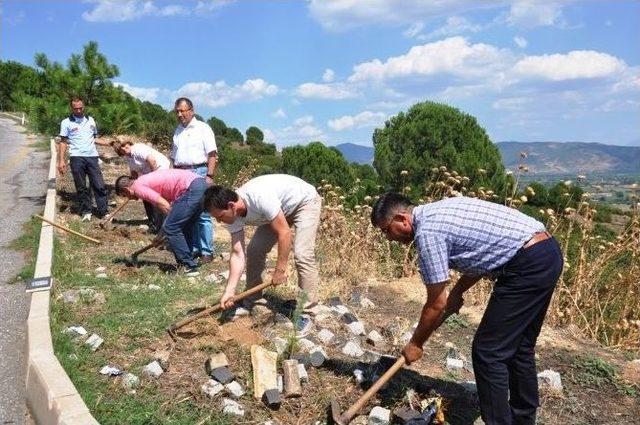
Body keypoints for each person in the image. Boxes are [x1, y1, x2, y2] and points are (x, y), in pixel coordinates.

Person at [370, 193, 563, 425]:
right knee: (520, 347)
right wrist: (458, 292)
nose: (388, 238)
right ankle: (523, 420)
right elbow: (481, 255)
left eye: (386, 230)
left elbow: (435, 303)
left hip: (526, 265)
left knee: (488, 352)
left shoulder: (428, 233)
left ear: (402, 219)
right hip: (546, 252)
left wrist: (415, 344)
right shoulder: (439, 210)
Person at [203, 174, 322, 334]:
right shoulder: (232, 216)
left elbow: (284, 233)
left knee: (302, 254)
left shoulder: (259, 197)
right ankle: (253, 300)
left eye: (220, 217)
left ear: (231, 205)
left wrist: (280, 269)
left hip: (304, 202)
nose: (219, 221)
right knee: (255, 250)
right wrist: (229, 291)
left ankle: (308, 312)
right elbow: (238, 254)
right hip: (278, 211)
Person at [115, 169, 209, 276]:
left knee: (172, 228)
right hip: (201, 185)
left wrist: (164, 232)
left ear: (126, 190)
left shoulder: (138, 187)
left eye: (124, 195)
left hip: (191, 188)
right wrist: (162, 233)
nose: (128, 198)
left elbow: (166, 207)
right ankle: (187, 261)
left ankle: (189, 266)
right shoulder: (143, 181)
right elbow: (170, 210)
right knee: (184, 226)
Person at [171, 97, 217, 264]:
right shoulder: (178, 130)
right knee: (188, 213)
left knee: (203, 214)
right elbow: (173, 157)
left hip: (199, 171)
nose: (180, 114)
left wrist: (209, 176)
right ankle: (194, 248)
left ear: (192, 110)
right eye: (177, 111)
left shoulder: (203, 128)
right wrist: (172, 176)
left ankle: (207, 251)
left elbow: (212, 154)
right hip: (181, 173)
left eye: (183, 110)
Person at [58, 97, 111, 221]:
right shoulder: (66, 122)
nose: (78, 110)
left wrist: (109, 143)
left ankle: (103, 211)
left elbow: (95, 138)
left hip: (92, 157)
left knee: (99, 184)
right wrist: (61, 161)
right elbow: (63, 142)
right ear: (72, 108)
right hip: (77, 157)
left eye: (80, 108)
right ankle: (86, 211)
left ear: (84, 106)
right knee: (81, 186)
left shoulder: (91, 120)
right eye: (75, 108)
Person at [112, 139, 170, 233]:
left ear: (128, 143)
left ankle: (159, 226)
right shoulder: (128, 157)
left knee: (155, 199)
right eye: (120, 149)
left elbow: (152, 161)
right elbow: (134, 172)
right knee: (145, 197)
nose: (124, 149)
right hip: (149, 175)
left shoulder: (138, 149)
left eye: (124, 145)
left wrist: (154, 177)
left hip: (160, 171)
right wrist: (133, 188)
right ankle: (152, 222)